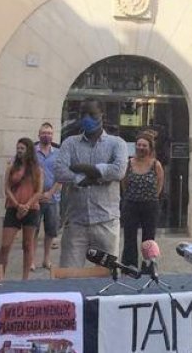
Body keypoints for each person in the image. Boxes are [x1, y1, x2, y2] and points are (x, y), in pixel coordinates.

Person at [53, 110, 128, 268]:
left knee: (106, 276)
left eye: (92, 115)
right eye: (84, 114)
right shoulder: (70, 143)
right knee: (69, 274)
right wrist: (84, 178)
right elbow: (60, 171)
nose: (88, 119)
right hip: (76, 222)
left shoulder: (117, 143)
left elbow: (118, 171)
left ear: (102, 115)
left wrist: (82, 168)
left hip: (106, 221)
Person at [0, 137, 42, 280]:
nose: (19, 151)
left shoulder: (37, 170)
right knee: (5, 245)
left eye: (22, 149)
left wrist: (27, 205)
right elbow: (7, 188)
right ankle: (0, 276)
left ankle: (25, 278)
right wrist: (17, 205)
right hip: (13, 207)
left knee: (28, 244)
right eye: (18, 149)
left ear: (29, 150)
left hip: (31, 209)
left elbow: (39, 191)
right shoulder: (11, 167)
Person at [121, 131, 164, 268]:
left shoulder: (155, 165)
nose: (141, 148)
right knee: (129, 237)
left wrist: (151, 197)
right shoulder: (129, 163)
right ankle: (129, 266)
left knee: (149, 238)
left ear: (150, 148)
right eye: (138, 145)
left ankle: (148, 266)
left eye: (144, 145)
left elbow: (159, 184)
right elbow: (124, 183)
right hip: (131, 204)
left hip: (150, 205)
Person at [34, 123, 63, 271]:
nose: (47, 135)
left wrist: (50, 193)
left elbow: (61, 176)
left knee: (51, 231)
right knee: (33, 230)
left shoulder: (58, 153)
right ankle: (31, 260)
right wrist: (37, 194)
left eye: (50, 133)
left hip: (53, 198)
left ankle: (46, 259)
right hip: (34, 199)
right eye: (44, 133)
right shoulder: (32, 152)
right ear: (39, 134)